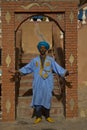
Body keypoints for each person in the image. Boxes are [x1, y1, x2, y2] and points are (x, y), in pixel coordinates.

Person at [9, 41, 69, 124]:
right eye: (41, 48)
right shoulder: (35, 60)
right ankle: (38, 117)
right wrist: (17, 71)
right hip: (37, 83)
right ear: (39, 49)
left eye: (44, 48)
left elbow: (57, 68)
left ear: (46, 49)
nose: (42, 49)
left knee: (47, 98)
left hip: (48, 83)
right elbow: (27, 68)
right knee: (37, 99)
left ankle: (47, 116)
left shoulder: (51, 60)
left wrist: (66, 72)